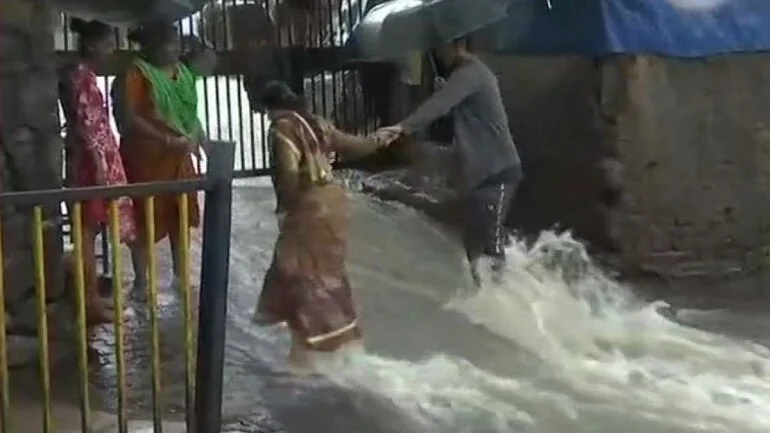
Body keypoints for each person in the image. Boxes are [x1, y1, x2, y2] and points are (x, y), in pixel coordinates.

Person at [252, 81, 391, 374]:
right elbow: (360, 146)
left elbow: (288, 175)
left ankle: (306, 361)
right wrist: (384, 136)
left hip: (310, 209)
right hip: (335, 205)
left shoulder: (281, 129)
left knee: (300, 281)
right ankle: (336, 350)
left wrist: (286, 209)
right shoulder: (316, 124)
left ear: (268, 108)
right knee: (325, 278)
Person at [376, 38, 522, 286]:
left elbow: (439, 105)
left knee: (490, 246)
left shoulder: (471, 73)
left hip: (496, 171)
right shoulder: (466, 75)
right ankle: (489, 301)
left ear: (457, 45)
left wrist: (402, 127)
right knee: (474, 244)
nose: (438, 53)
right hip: (482, 173)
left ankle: (511, 304)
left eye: (441, 47)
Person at [116, 20, 209, 290]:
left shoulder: (182, 71)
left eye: (177, 44)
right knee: (145, 216)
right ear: (152, 46)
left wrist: (200, 139)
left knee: (179, 215)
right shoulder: (136, 74)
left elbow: (189, 113)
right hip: (147, 157)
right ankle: (142, 281)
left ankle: (181, 276)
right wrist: (167, 140)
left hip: (179, 156)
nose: (176, 49)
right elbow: (130, 118)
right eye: (170, 43)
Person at [58, 18, 136, 324]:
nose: (110, 51)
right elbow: (88, 125)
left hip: (90, 159)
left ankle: (89, 298)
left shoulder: (80, 74)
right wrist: (101, 165)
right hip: (91, 163)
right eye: (106, 44)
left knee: (88, 233)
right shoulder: (82, 77)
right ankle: (88, 302)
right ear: (92, 45)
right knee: (86, 233)